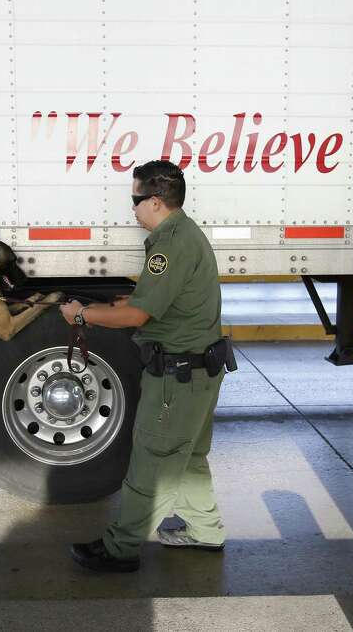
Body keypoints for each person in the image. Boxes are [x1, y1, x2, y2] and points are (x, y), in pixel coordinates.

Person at [60, 159, 227, 572]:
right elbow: (152, 304)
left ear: (155, 201)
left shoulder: (170, 245)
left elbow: (138, 317)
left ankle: (120, 548)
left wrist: (82, 315)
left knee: (153, 460)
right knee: (187, 457)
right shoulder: (182, 235)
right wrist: (112, 305)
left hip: (179, 377)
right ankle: (205, 531)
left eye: (135, 200)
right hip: (200, 372)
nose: (131, 209)